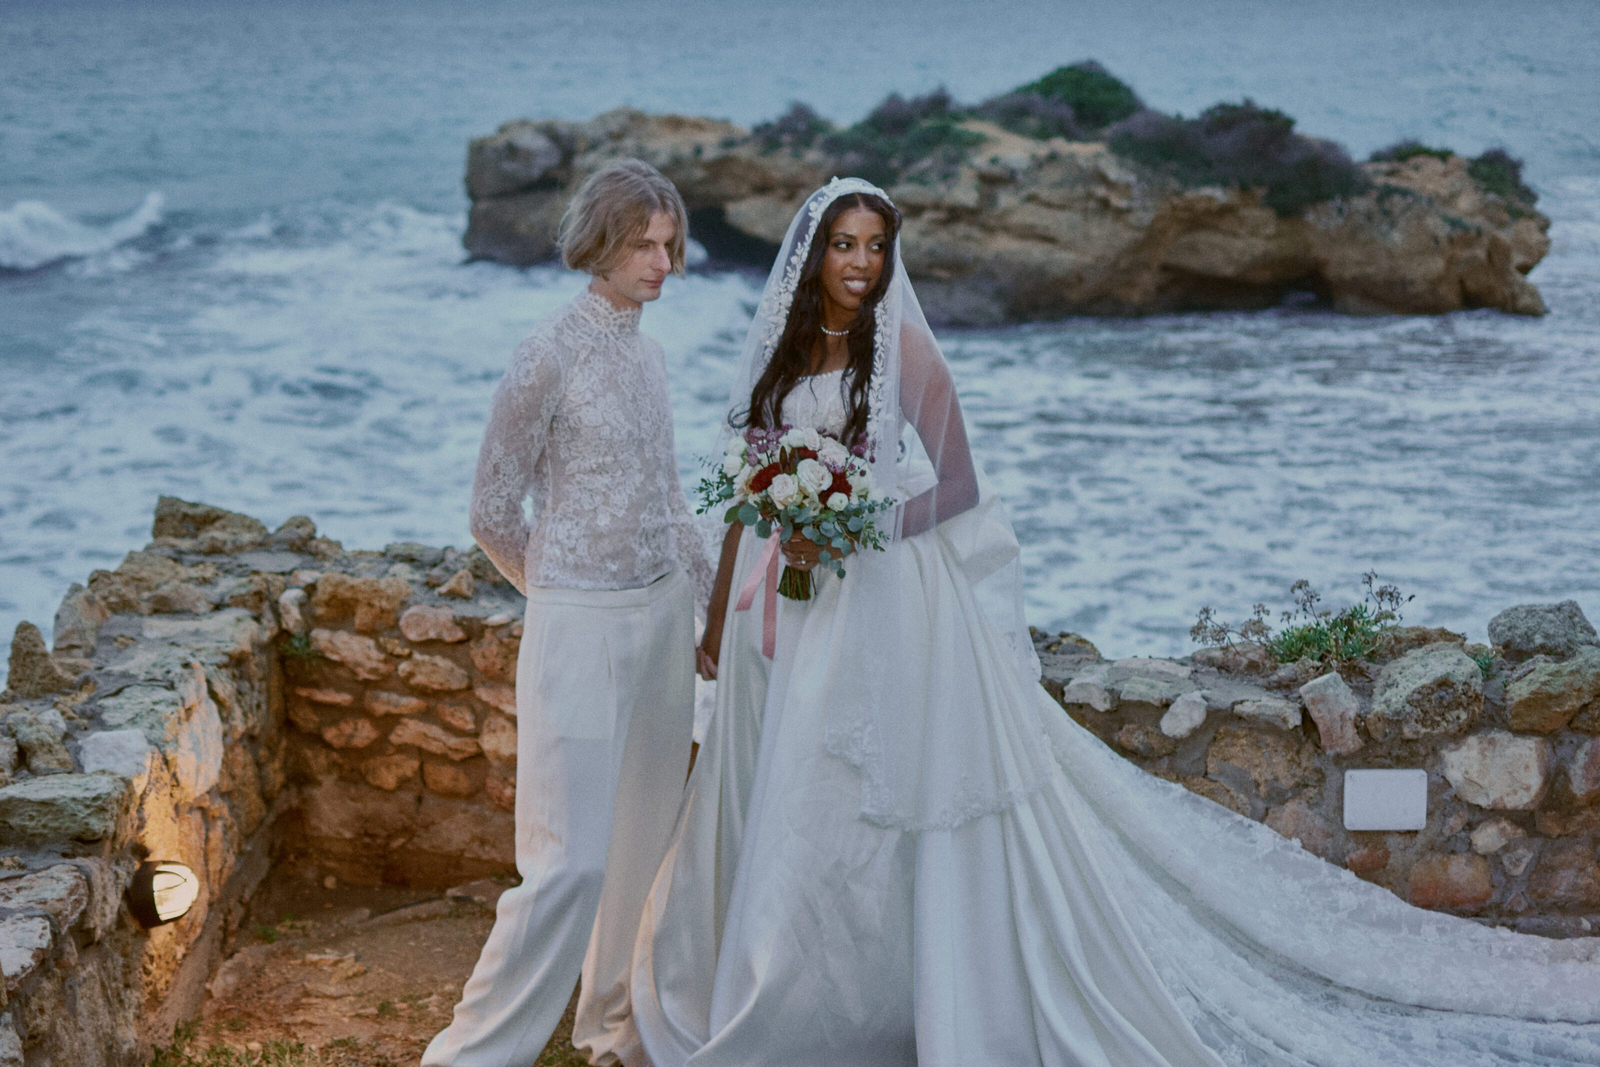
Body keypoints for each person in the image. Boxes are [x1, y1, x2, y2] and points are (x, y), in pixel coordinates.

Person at [629, 177, 1600, 1067]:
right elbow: (742, 502)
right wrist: (720, 617)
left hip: (880, 609)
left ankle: (876, 1002)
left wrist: (851, 523)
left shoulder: (905, 351)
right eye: (843, 244)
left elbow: (959, 487)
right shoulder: (781, 354)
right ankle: (788, 985)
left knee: (860, 797)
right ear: (812, 254)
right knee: (792, 793)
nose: (859, 264)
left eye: (875, 247)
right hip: (787, 620)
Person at [424, 158, 713, 1067]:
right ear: (599, 243)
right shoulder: (546, 350)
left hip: (666, 618)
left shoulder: (649, 352)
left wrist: (708, 616)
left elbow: (670, 501)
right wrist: (558, 598)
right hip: (580, 625)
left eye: (670, 244)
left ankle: (613, 1029)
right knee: (566, 863)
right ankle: (472, 1055)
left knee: (640, 848)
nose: (662, 263)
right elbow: (490, 513)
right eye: (642, 244)